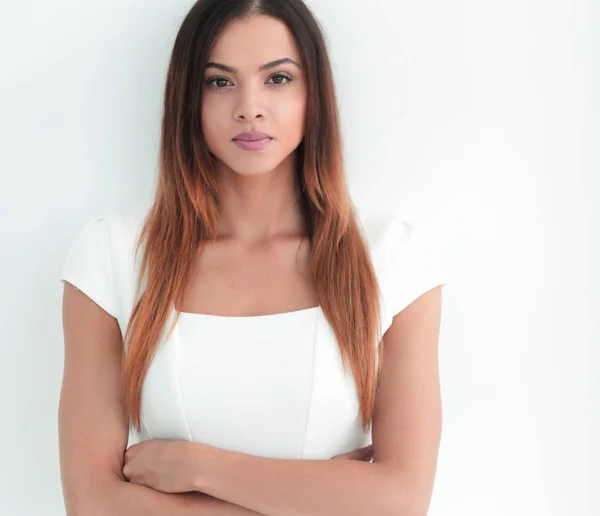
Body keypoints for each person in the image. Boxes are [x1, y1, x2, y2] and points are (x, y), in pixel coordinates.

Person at [58, 0, 447, 514]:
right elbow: (92, 503)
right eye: (219, 81)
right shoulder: (112, 254)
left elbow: (401, 501)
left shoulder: (393, 256)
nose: (249, 106)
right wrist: (330, 498)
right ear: (188, 97)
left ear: (315, 94)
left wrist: (199, 468)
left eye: (278, 79)